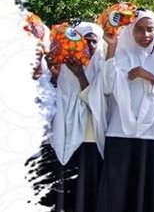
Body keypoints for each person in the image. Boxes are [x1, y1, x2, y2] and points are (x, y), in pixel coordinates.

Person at [96, 9, 154, 212]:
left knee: (147, 196)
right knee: (118, 196)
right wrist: (112, 47)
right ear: (131, 30)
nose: (145, 35)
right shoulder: (120, 54)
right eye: (139, 30)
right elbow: (105, 86)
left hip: (152, 135)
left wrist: (150, 77)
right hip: (120, 132)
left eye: (150, 29)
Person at [41, 22, 106, 212]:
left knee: (87, 194)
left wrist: (81, 76)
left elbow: (97, 102)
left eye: (94, 42)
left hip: (92, 139)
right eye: (86, 41)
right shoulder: (65, 67)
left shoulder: (103, 67)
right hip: (67, 137)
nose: (90, 46)